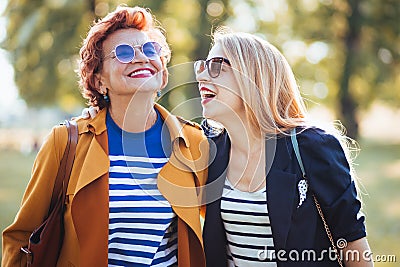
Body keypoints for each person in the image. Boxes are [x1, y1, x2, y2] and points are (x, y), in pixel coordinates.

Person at [2, 6, 208, 267]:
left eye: (149, 50)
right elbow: (21, 236)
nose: (141, 58)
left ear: (163, 72)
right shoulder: (65, 142)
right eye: (123, 52)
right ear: (99, 81)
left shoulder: (193, 142)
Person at [195, 27, 372, 266]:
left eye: (216, 66)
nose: (202, 76)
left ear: (253, 75)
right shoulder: (211, 152)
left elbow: (353, 244)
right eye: (202, 66)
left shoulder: (313, 146)